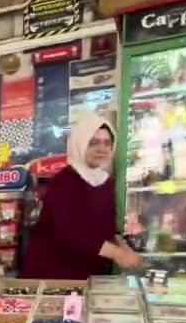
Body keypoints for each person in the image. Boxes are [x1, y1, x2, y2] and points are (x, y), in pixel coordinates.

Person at [21, 114, 142, 278]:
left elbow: (106, 228)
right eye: (93, 143)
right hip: (55, 276)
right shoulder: (65, 182)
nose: (102, 149)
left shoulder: (105, 181)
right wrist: (116, 253)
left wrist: (122, 245)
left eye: (107, 143)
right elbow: (71, 234)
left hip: (90, 274)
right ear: (80, 144)